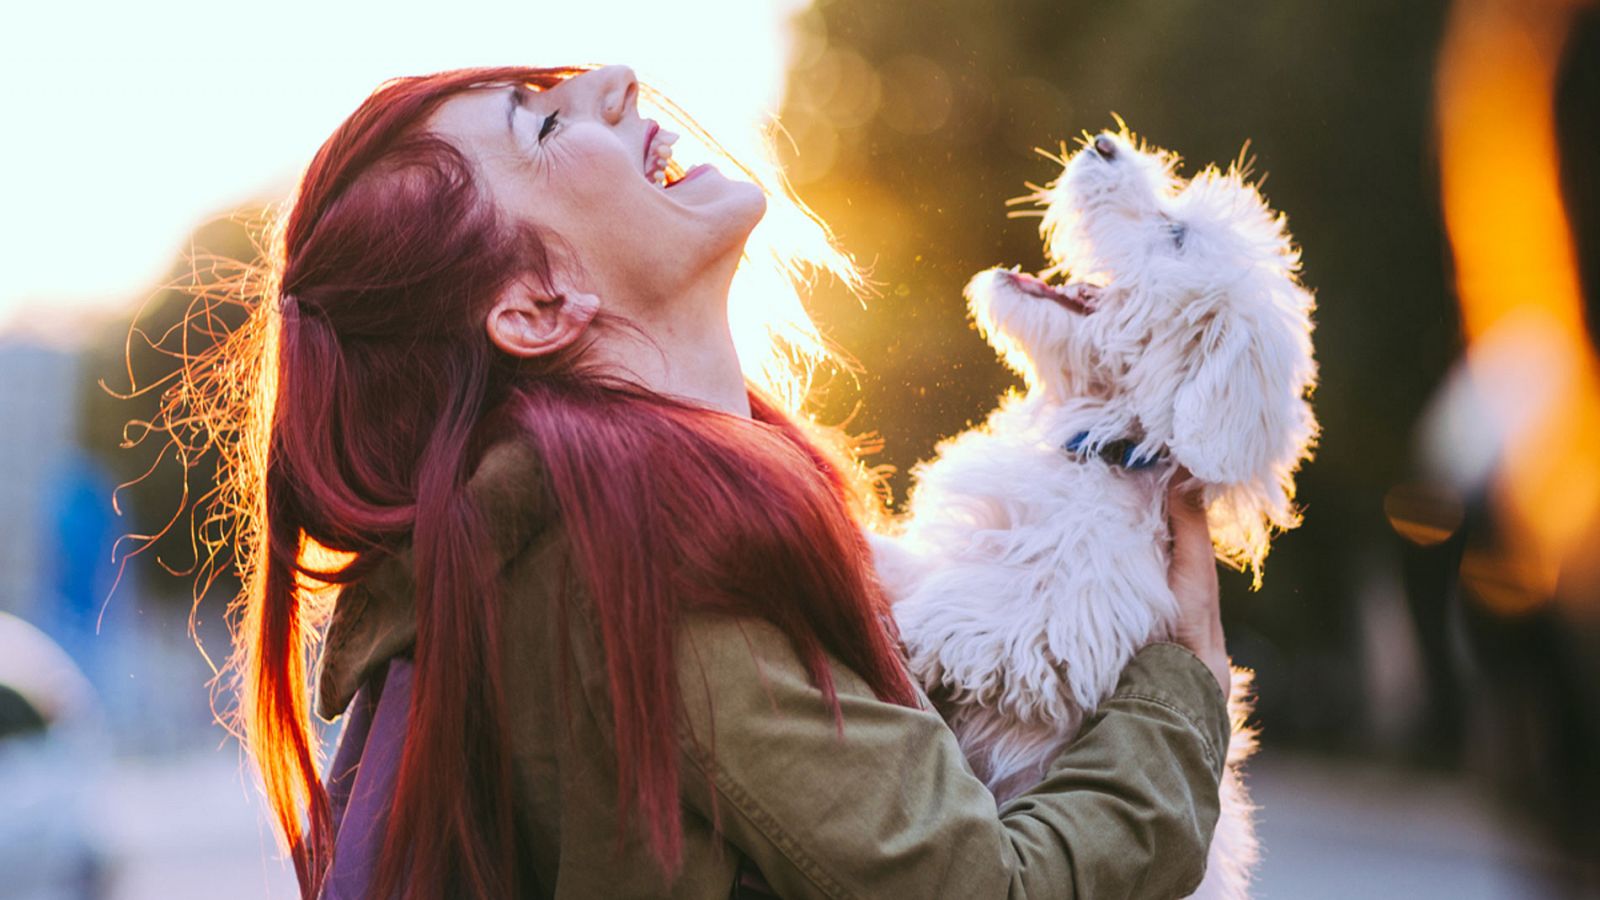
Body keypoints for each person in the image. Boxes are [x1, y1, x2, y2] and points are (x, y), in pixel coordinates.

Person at [201, 64, 1232, 899]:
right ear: (538, 307)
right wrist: (1180, 683)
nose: (615, 81)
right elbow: (979, 889)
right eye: (546, 128)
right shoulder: (645, 557)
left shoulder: (580, 535)